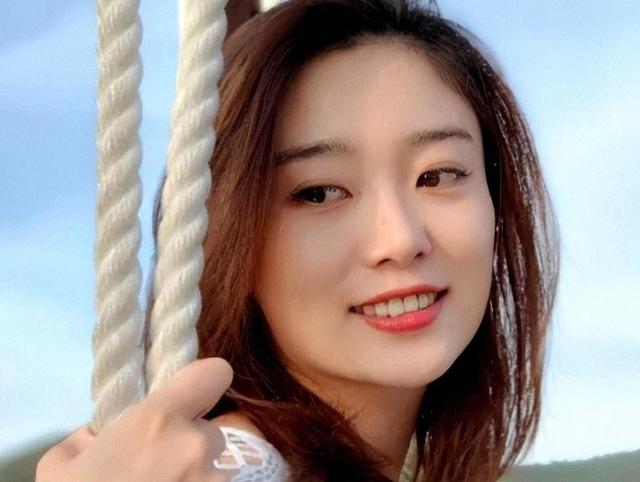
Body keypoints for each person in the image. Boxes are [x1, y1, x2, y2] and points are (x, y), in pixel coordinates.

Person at [36, 0, 560, 480]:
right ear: (233, 235)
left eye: (437, 176)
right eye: (318, 193)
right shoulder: (234, 469)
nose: (400, 240)